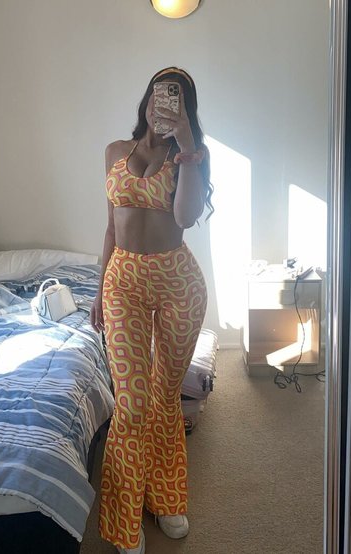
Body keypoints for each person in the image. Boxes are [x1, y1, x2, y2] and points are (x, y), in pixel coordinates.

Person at [90, 66, 213, 554]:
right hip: (124, 283)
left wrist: (186, 145)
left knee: (163, 397)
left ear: (186, 110)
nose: (164, 104)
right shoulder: (114, 152)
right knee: (133, 403)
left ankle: (165, 497)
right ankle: (124, 521)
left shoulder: (190, 157)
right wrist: (99, 289)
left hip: (178, 283)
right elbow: (110, 228)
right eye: (161, 95)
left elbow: (185, 216)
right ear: (146, 99)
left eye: (177, 99)